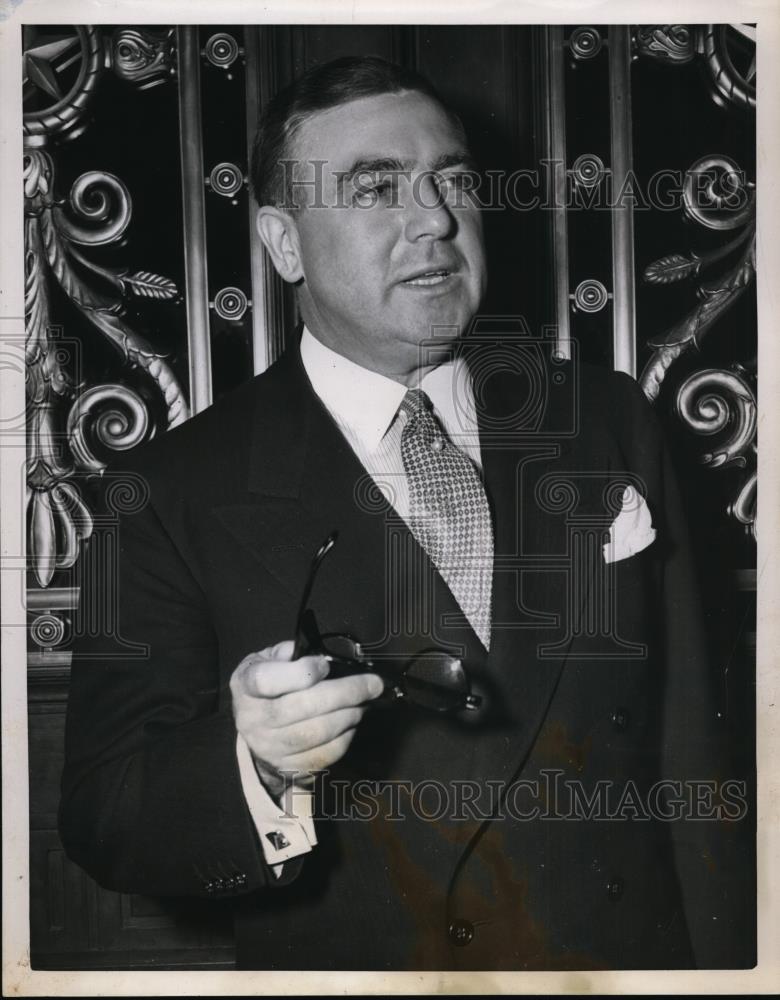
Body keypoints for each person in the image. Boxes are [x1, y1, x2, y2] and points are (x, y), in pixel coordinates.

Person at [59, 56, 753, 971]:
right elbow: (107, 816)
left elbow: (695, 755)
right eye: (375, 187)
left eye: (453, 181)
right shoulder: (166, 493)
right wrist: (258, 768)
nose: (434, 219)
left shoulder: (608, 419)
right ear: (284, 244)